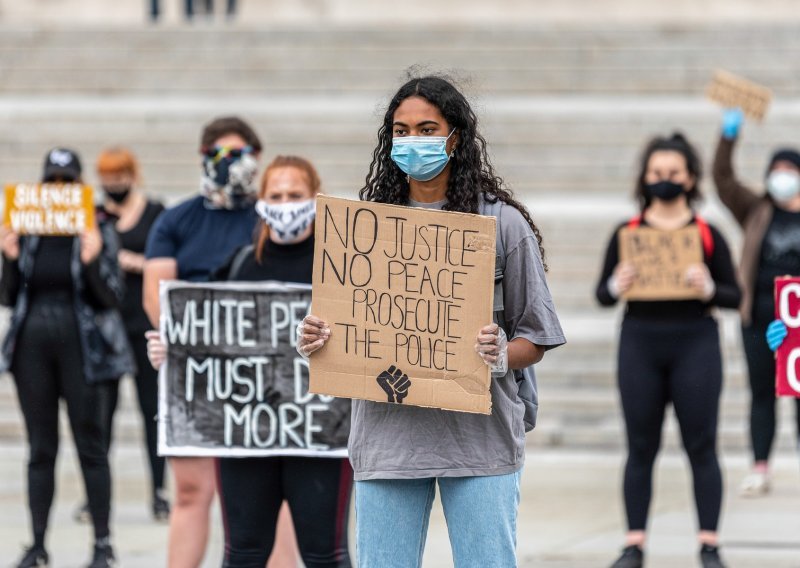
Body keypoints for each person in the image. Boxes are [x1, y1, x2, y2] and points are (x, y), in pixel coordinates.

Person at [297, 75, 566, 568]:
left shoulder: (502, 224)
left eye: (426, 129)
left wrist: (502, 352)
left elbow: (537, 335)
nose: (412, 142)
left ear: (454, 137)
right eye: (401, 131)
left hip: (479, 441)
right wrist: (317, 338)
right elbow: (347, 326)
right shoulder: (364, 228)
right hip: (388, 440)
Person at [148, 155, 352, 567]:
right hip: (245, 436)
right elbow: (207, 336)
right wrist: (174, 353)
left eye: (295, 195)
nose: (284, 203)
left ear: (316, 198)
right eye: (275, 195)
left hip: (322, 436)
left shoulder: (341, 268)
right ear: (260, 202)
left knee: (325, 556)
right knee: (242, 554)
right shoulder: (238, 264)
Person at [143, 116, 299, 567]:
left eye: (241, 155)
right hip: (197, 372)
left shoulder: (272, 218)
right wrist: (197, 342)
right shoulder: (177, 219)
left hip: (267, 378)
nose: (232, 165)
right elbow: (156, 295)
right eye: (221, 155)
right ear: (203, 158)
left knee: (277, 494)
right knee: (192, 491)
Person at [596, 133, 742, 568]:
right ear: (644, 177)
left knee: (702, 445)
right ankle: (634, 543)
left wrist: (710, 286)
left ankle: (709, 543)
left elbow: (736, 295)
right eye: (657, 172)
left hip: (695, 341)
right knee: (641, 446)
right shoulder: (627, 233)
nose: (664, 180)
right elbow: (601, 295)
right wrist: (614, 284)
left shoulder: (706, 233)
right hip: (640, 341)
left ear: (691, 178)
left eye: (673, 173)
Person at [1, 148, 135, 568]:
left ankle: (102, 543)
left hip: (83, 345)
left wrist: (93, 261)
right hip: (33, 346)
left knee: (90, 444)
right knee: (41, 448)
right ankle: (38, 544)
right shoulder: (26, 232)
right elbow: (7, 297)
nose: (59, 188)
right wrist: (8, 259)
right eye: (52, 181)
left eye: (67, 181)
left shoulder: (97, 228)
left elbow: (113, 298)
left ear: (79, 185)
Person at [712, 108, 800, 497]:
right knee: (761, 391)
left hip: (795, 319)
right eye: (776, 168)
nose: (781, 175)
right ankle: (760, 466)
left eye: (789, 169)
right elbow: (724, 180)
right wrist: (728, 135)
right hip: (759, 317)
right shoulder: (757, 210)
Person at [97, 147, 169, 520]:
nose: (113, 184)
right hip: (107, 327)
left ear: (132, 174)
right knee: (102, 416)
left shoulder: (155, 213)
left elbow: (169, 261)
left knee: (151, 411)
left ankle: (158, 490)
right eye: (107, 177)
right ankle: (98, 495)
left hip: (143, 324)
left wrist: (133, 262)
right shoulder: (95, 216)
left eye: (119, 175)